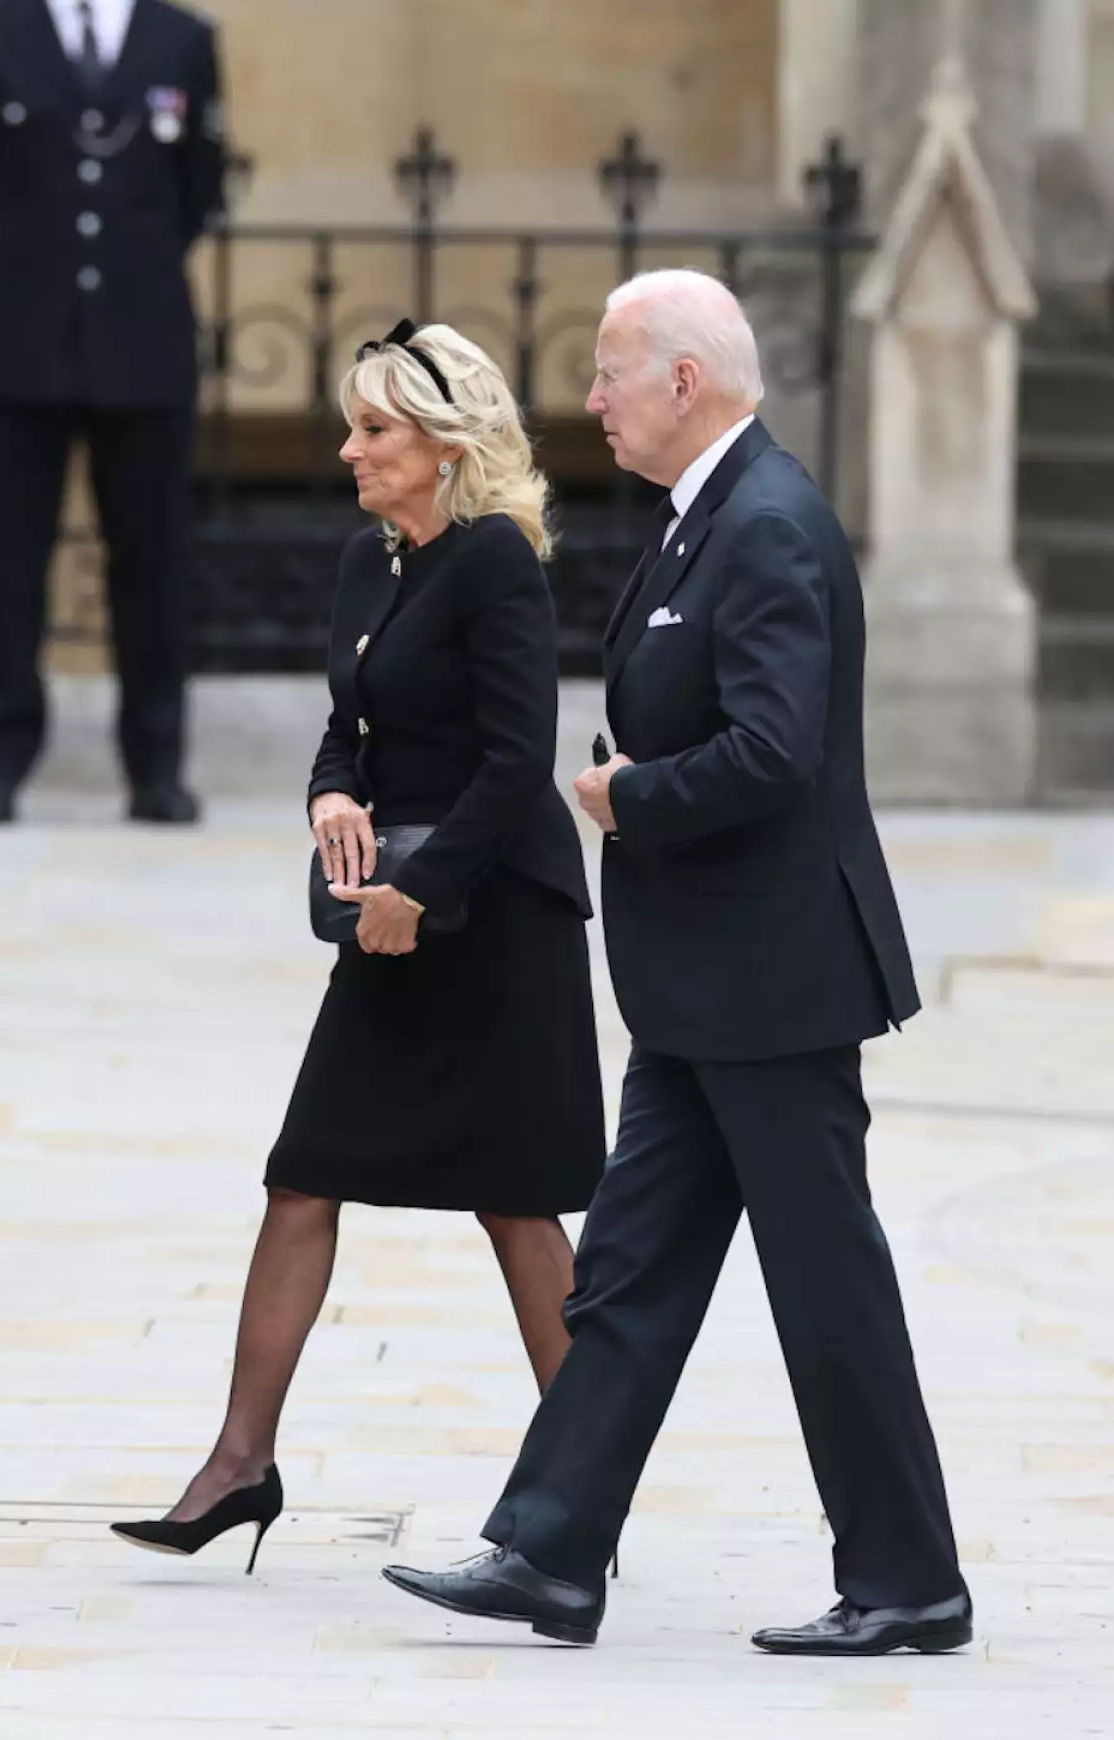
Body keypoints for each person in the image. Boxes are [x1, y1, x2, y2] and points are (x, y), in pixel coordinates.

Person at [382, 270, 973, 1654]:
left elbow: (776, 748)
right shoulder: (709, 516)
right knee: (632, 1276)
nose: (590, 398)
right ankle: (549, 1554)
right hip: (705, 987)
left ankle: (909, 1584)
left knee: (828, 1286)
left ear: (683, 382)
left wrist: (626, 799)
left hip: (772, 984)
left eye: (609, 373)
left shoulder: (764, 524)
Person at [109, 319, 607, 1571]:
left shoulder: (497, 562)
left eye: (373, 430)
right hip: (395, 916)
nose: (347, 451)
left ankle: (581, 1498)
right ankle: (238, 1467)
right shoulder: (368, 560)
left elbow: (515, 764)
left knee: (515, 1203)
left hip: (497, 923)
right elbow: (351, 728)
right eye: (350, 428)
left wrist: (419, 894)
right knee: (303, 1172)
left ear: (445, 447)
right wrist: (333, 797)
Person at [0, 0, 226, 825]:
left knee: (153, 563)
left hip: (145, 344)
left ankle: (155, 764)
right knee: (13, 562)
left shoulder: (184, 39)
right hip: (25, 340)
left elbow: (195, 191)